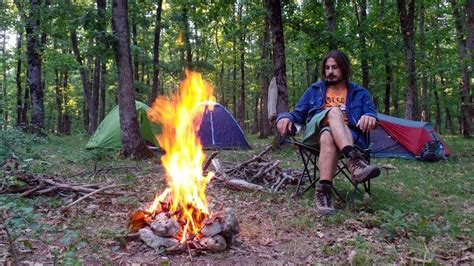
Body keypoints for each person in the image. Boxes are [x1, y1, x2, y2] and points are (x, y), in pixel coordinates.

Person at [276, 50, 380, 215]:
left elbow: (371, 115)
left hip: (349, 135)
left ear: (344, 69)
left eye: (335, 67)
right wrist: (284, 117)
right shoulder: (314, 89)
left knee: (328, 134)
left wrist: (369, 116)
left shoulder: (360, 93)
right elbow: (297, 115)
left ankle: (323, 192)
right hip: (314, 136)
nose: (330, 71)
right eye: (327, 68)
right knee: (333, 112)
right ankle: (354, 161)